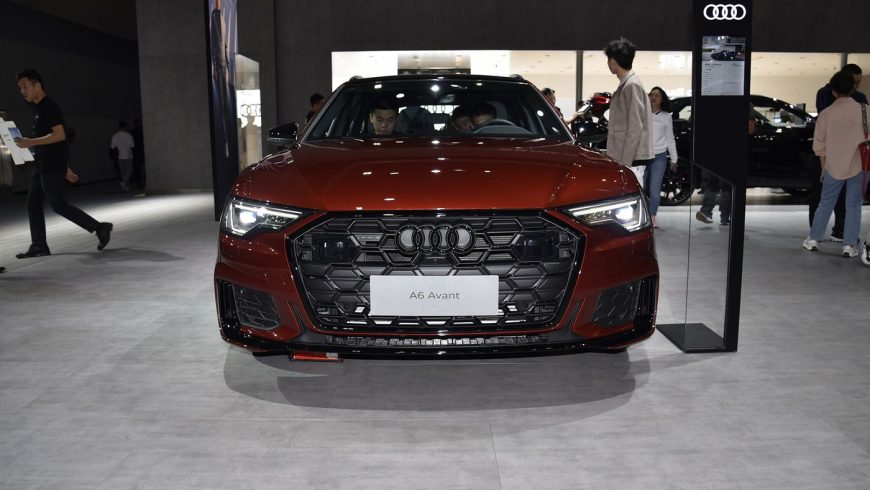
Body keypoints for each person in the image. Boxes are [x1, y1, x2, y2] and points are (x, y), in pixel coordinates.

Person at [13, 69, 112, 258]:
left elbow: (60, 135)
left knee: (58, 205)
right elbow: (55, 145)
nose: (22, 91)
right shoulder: (39, 110)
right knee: (33, 203)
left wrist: (31, 142)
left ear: (37, 86)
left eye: (24, 86)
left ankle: (100, 227)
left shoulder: (49, 107)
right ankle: (39, 245)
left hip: (50, 167)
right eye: (20, 88)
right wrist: (65, 168)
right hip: (41, 165)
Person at [802, 70, 869, 258]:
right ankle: (849, 245)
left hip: (833, 166)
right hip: (860, 165)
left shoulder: (826, 114)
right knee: (854, 206)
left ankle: (813, 239)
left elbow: (819, 145)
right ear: (853, 88)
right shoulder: (865, 110)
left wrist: (823, 167)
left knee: (825, 203)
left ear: (833, 91)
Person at [604, 37, 654, 175]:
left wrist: (625, 163)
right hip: (629, 158)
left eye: (608, 60)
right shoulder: (628, 84)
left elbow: (635, 126)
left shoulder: (631, 85)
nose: (607, 63)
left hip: (631, 160)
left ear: (613, 61)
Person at [644, 87, 678, 228]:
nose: (653, 97)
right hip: (642, 156)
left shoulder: (666, 116)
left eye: (657, 95)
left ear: (662, 99)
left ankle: (652, 217)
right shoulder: (642, 113)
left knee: (654, 189)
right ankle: (641, 216)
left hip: (659, 157)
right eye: (651, 95)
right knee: (640, 187)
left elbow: (670, 138)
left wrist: (674, 159)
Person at [111, 121, 135, 192]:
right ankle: (124, 183)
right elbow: (132, 145)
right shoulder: (129, 135)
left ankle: (125, 188)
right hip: (128, 156)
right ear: (125, 127)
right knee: (130, 171)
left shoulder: (115, 136)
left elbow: (112, 147)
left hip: (120, 157)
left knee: (123, 173)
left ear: (119, 127)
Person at [131, 117, 145, 197]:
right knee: (142, 168)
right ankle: (142, 182)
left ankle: (138, 183)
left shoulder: (132, 132)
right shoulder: (142, 132)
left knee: (137, 169)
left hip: (135, 153)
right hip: (142, 152)